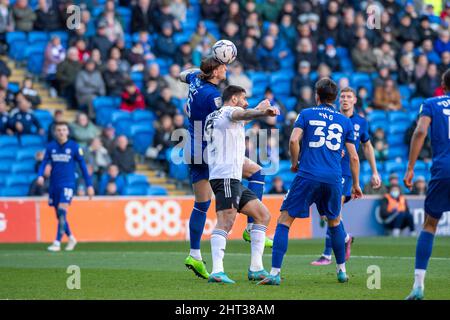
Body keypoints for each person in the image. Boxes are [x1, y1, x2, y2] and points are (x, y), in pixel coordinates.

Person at [258, 78, 362, 286]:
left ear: (317, 95)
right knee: (334, 222)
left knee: (284, 221)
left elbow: (294, 140)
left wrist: (295, 162)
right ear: (334, 98)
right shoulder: (345, 121)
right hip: (334, 178)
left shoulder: (306, 114)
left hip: (308, 174)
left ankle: (275, 273)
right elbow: (354, 157)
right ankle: (341, 271)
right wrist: (356, 184)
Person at [179, 57, 272, 280]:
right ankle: (250, 229)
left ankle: (194, 254)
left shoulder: (194, 80)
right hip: (209, 149)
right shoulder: (214, 97)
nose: (226, 69)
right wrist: (259, 110)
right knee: (256, 171)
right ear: (214, 72)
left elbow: (182, 75)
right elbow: (232, 115)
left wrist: (198, 72)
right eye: (222, 66)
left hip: (191, 146)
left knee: (201, 205)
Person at [204, 85, 279, 283]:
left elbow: (242, 116)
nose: (246, 102)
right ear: (234, 99)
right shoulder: (230, 111)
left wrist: (258, 108)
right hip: (225, 176)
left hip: (231, 177)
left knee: (263, 215)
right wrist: (262, 111)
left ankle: (256, 268)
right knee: (226, 221)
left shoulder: (215, 116)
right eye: (243, 98)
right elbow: (242, 113)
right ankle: (217, 271)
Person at [311, 87, 381, 266]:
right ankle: (346, 237)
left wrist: (375, 171)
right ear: (337, 100)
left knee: (333, 210)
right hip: (328, 170)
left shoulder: (361, 122)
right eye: (342, 96)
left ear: (355, 100)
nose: (345, 99)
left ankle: (327, 255)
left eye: (349, 96)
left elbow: (367, 146)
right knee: (329, 213)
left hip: (346, 172)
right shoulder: (332, 118)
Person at [403, 69, 450, 300]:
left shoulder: (431, 103)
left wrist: (410, 167)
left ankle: (419, 286)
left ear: (443, 84)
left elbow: (421, 131)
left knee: (431, 224)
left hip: (443, 169)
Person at [37, 122, 94, 252]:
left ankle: (57, 242)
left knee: (62, 212)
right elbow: (44, 162)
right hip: (54, 184)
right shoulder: (51, 147)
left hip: (68, 184)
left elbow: (83, 167)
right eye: (59, 130)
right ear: (55, 132)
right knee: (59, 215)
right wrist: (40, 175)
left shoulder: (74, 147)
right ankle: (71, 238)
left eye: (64, 130)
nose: (61, 132)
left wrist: (89, 185)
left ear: (68, 132)